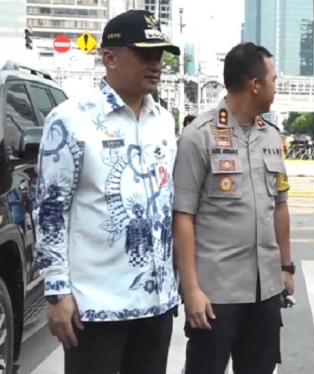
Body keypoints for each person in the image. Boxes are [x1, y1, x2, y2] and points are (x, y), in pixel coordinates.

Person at [33, 10, 180, 374]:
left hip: (156, 305)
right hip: (93, 308)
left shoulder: (163, 120)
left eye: (159, 55)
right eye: (145, 54)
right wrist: (57, 293)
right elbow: (51, 210)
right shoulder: (71, 120)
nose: (156, 64)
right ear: (109, 58)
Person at [172, 42, 293, 374]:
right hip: (216, 294)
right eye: (273, 79)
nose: (275, 88)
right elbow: (183, 217)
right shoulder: (198, 137)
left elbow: (279, 206)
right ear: (256, 84)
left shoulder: (271, 137)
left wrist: (286, 267)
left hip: (266, 289)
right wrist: (192, 289)